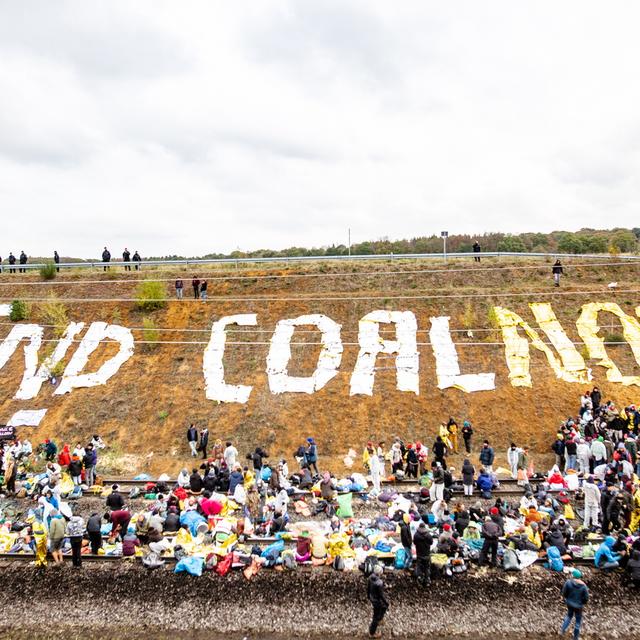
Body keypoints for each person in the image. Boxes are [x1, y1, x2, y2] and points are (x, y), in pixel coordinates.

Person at [561, 569, 588, 640]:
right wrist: (583, 603)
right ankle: (575, 638)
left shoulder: (568, 582)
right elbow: (586, 598)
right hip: (579, 606)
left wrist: (567, 599)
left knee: (569, 616)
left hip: (569, 603)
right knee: (578, 621)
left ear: (573, 575)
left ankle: (562, 631)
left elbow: (564, 593)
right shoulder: (583, 586)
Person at [367, 564, 388, 638]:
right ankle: (372, 633)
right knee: (375, 616)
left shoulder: (370, 578)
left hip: (372, 598)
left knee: (382, 609)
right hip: (377, 601)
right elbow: (381, 595)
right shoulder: (379, 583)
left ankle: (380, 619)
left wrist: (368, 597)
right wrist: (386, 602)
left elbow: (368, 588)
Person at [413, 521, 433, 585]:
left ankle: (420, 578)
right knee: (427, 567)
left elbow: (415, 543)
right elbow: (431, 542)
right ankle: (427, 580)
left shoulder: (416, 535)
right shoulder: (428, 535)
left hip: (419, 553)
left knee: (419, 566)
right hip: (426, 553)